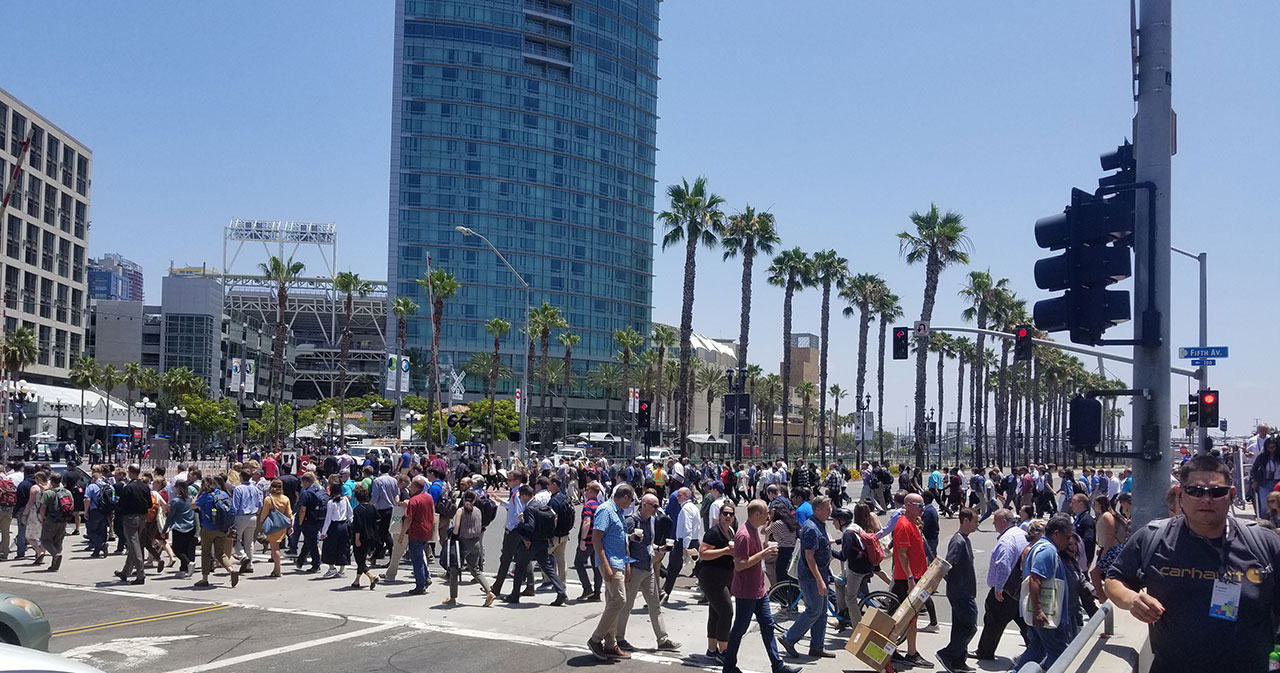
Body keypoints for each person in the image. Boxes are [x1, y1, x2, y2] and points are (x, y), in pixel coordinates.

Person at [1107, 455, 1280, 673]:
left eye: (1217, 492)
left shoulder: (1265, 543)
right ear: (1180, 495)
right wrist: (1132, 599)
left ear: (1232, 495)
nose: (1206, 499)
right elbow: (1114, 579)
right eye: (1196, 491)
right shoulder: (1153, 538)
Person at [722, 499, 800, 673]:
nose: (768, 517)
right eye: (766, 513)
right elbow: (740, 564)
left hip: (758, 589)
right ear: (757, 514)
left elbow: (753, 556)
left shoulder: (754, 530)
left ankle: (778, 666)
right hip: (746, 591)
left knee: (768, 625)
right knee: (740, 628)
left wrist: (763, 550)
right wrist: (763, 554)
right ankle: (728, 666)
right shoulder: (744, 535)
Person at [1011, 514, 1077, 671]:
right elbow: (1035, 579)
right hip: (1046, 615)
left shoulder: (1041, 546)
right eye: (1067, 537)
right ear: (1056, 534)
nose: (1069, 542)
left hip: (1041, 614)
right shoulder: (1047, 551)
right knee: (1058, 653)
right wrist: (1039, 610)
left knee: (1037, 650)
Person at [616, 493, 678, 652]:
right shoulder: (631, 521)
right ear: (644, 505)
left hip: (648, 567)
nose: (657, 510)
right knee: (626, 604)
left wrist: (660, 548)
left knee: (655, 604)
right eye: (654, 506)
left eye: (658, 506)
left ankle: (662, 639)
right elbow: (623, 543)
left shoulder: (651, 520)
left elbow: (649, 544)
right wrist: (627, 567)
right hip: (635, 567)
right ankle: (618, 637)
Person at [778, 495, 837, 660]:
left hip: (821, 575)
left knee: (822, 612)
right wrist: (819, 580)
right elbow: (809, 557)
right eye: (827, 508)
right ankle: (789, 638)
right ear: (817, 510)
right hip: (811, 577)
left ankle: (817, 646)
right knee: (814, 610)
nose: (830, 510)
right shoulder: (811, 528)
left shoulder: (820, 525)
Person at [587, 484, 637, 660]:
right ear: (625, 497)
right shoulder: (605, 510)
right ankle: (596, 639)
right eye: (631, 500)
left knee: (612, 603)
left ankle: (610, 644)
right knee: (619, 600)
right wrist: (605, 565)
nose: (631, 504)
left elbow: (622, 539)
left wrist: (628, 564)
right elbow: (596, 539)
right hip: (610, 562)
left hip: (619, 561)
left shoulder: (618, 511)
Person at [972, 509, 1029, 660]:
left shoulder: (1006, 540)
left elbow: (1003, 565)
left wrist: (998, 588)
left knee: (993, 621)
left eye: (995, 520)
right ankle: (1035, 648)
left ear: (1004, 522)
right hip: (1019, 589)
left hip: (1006, 591)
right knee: (1023, 621)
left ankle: (985, 652)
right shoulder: (1021, 533)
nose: (993, 523)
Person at [505, 483, 567, 605]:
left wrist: (520, 521)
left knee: (519, 567)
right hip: (543, 542)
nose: (521, 500)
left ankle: (515, 595)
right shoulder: (541, 505)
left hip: (531, 543)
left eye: (521, 497)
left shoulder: (529, 508)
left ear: (524, 496)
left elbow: (530, 527)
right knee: (548, 568)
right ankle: (561, 592)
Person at [936, 507, 979, 673]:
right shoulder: (958, 541)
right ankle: (947, 654)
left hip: (964, 591)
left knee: (960, 627)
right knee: (970, 626)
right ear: (965, 521)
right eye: (975, 521)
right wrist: (951, 583)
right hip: (961, 593)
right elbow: (947, 565)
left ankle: (959, 661)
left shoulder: (965, 539)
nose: (977, 524)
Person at [698, 500, 737, 661]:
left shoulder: (731, 532)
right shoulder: (714, 533)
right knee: (727, 611)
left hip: (725, 576)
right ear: (719, 515)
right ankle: (723, 651)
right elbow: (703, 553)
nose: (728, 516)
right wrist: (725, 551)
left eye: (731, 514)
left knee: (715, 612)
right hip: (711, 576)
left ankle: (712, 649)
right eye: (725, 513)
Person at [444, 490, 493, 606]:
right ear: (475, 500)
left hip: (462, 542)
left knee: (454, 570)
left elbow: (456, 529)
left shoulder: (460, 511)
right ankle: (489, 591)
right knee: (475, 569)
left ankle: (453, 597)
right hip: (475, 542)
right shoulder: (478, 511)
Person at [491, 470, 535, 599]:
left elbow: (519, 513)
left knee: (505, 559)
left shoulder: (518, 494)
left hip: (514, 530)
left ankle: (497, 588)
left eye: (509, 480)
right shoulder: (518, 492)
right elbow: (512, 507)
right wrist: (501, 501)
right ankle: (530, 586)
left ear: (517, 480)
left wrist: (512, 527)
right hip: (519, 530)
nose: (507, 483)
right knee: (524, 559)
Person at [193, 476, 239, 588]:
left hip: (208, 528)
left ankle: (204, 578)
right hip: (222, 528)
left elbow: (193, 505)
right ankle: (231, 569)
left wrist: (198, 493)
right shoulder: (223, 494)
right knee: (220, 553)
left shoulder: (205, 496)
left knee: (206, 553)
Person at [662, 487, 701, 601]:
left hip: (684, 542)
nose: (677, 497)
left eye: (680, 495)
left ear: (686, 496)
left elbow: (687, 529)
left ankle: (665, 594)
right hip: (693, 541)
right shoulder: (693, 507)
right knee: (697, 568)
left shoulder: (686, 509)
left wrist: (685, 546)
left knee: (673, 569)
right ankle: (708, 593)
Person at [115, 465, 151, 584]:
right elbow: (149, 504)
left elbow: (120, 505)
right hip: (142, 517)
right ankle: (126, 572)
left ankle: (140, 574)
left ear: (130, 472)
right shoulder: (145, 486)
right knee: (133, 544)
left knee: (134, 546)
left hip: (130, 517)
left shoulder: (128, 487)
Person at [258, 479, 293, 578]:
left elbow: (264, 515)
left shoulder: (268, 499)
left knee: (275, 548)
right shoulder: (285, 499)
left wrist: (262, 525)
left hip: (272, 525)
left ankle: (278, 569)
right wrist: (290, 526)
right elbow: (289, 514)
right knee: (276, 546)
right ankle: (275, 569)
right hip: (281, 525)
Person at [36, 472, 71, 571]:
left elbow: (43, 507)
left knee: (45, 540)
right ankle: (55, 563)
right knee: (58, 541)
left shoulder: (48, 493)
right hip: (63, 520)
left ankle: (56, 555)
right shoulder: (67, 492)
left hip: (51, 520)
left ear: (51, 481)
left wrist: (41, 518)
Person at [318, 478, 352, 578]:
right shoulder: (345, 499)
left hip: (334, 526)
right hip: (344, 525)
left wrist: (324, 532)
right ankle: (342, 570)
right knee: (343, 547)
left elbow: (328, 518)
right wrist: (349, 522)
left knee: (329, 547)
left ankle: (331, 567)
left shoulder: (331, 502)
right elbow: (350, 513)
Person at [230, 470, 262, 575]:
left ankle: (243, 556)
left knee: (235, 539)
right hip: (253, 515)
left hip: (241, 516)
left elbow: (235, 505)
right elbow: (260, 503)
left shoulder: (238, 489)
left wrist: (232, 518)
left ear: (241, 477)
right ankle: (250, 564)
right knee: (249, 541)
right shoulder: (255, 488)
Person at [294, 473, 327, 573]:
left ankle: (316, 564)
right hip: (320, 519)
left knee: (312, 543)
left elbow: (303, 509)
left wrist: (300, 522)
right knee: (309, 540)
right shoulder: (320, 489)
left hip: (309, 520)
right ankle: (300, 560)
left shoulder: (307, 492)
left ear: (305, 481)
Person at [164, 480, 197, 578]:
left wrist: (165, 529)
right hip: (190, 526)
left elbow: (170, 516)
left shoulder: (175, 501)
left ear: (178, 488)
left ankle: (188, 563)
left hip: (179, 527)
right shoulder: (190, 499)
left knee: (177, 549)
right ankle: (184, 568)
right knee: (186, 548)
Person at [1249, 435, 1280, 517]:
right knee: (1265, 505)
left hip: (1278, 483)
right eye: (1269, 448)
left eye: (1273, 447)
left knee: (1278, 504)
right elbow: (1253, 469)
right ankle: (1264, 525)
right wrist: (1254, 480)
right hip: (1265, 483)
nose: (1271, 450)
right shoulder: (1262, 457)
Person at [1068, 494, 1096, 566]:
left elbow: (1089, 538)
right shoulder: (1079, 518)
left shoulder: (1087, 520)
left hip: (1082, 557)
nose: (1071, 505)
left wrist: (1076, 548)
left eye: (1073, 503)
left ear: (1081, 504)